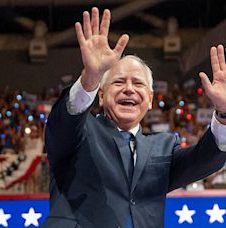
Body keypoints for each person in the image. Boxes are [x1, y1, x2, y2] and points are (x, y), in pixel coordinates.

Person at [43, 7, 226, 228]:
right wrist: (90, 78)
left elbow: (207, 158)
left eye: (138, 83)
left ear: (149, 100)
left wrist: (224, 114)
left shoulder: (164, 146)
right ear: (101, 95)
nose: (129, 89)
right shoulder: (78, 133)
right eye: (119, 82)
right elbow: (63, 122)